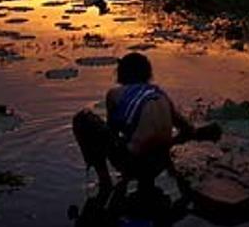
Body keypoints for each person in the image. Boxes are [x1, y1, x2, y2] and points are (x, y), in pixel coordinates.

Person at [72, 52, 217, 194]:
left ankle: (105, 181)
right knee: (144, 140)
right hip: (158, 165)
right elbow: (187, 130)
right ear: (148, 74)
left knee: (82, 119)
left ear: (121, 74)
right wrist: (173, 143)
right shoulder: (159, 94)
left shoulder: (114, 93)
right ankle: (146, 180)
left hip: (133, 164)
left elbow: (112, 134)